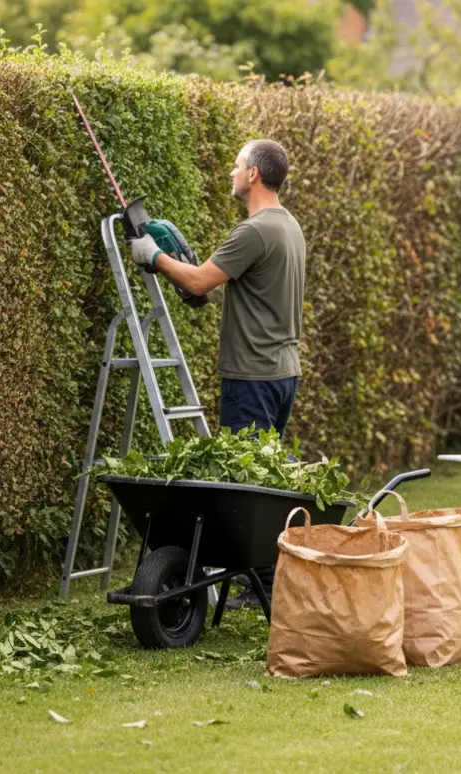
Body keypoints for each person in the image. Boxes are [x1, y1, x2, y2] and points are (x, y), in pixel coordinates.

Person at [128, 139, 305, 607]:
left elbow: (199, 281)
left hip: (252, 375)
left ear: (253, 176)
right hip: (283, 372)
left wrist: (153, 257)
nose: (231, 171)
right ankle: (269, 578)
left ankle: (264, 585)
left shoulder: (255, 231)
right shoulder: (289, 226)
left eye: (237, 165)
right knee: (264, 482)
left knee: (245, 487)